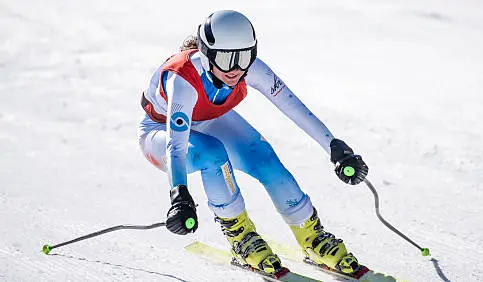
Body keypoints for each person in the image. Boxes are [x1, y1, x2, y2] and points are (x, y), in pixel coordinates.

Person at [138, 10, 369, 275]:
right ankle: (240, 236)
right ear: (207, 54)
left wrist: (335, 148)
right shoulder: (183, 79)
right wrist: (179, 195)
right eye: (226, 59)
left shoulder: (249, 69)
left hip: (209, 119)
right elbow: (177, 147)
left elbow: (293, 107)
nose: (235, 69)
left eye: (244, 56)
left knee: (264, 158)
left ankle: (311, 235)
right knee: (212, 153)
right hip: (159, 132)